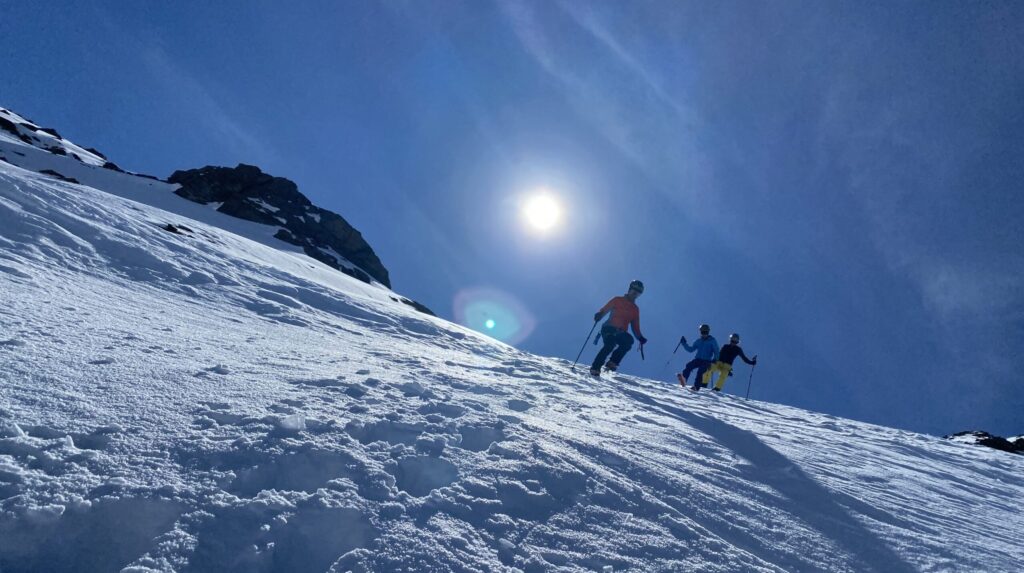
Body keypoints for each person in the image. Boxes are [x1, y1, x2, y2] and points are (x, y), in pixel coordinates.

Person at [590, 280, 647, 376]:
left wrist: (640, 337)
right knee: (610, 344)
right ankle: (595, 368)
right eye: (634, 291)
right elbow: (606, 309)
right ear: (629, 289)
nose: (635, 294)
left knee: (629, 340)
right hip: (609, 328)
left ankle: (612, 362)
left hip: (621, 332)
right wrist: (600, 314)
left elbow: (635, 326)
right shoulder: (617, 300)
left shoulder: (635, 309)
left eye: (638, 293)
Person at [676, 324, 719, 391]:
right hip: (698, 359)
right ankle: (683, 380)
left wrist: (715, 359)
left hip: (706, 361)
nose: (704, 334)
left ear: (708, 332)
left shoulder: (712, 341)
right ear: (700, 332)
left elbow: (716, 351)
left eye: (705, 332)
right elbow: (691, 349)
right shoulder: (699, 341)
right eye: (702, 332)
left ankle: (696, 387)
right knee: (689, 365)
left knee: (701, 371)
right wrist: (684, 343)